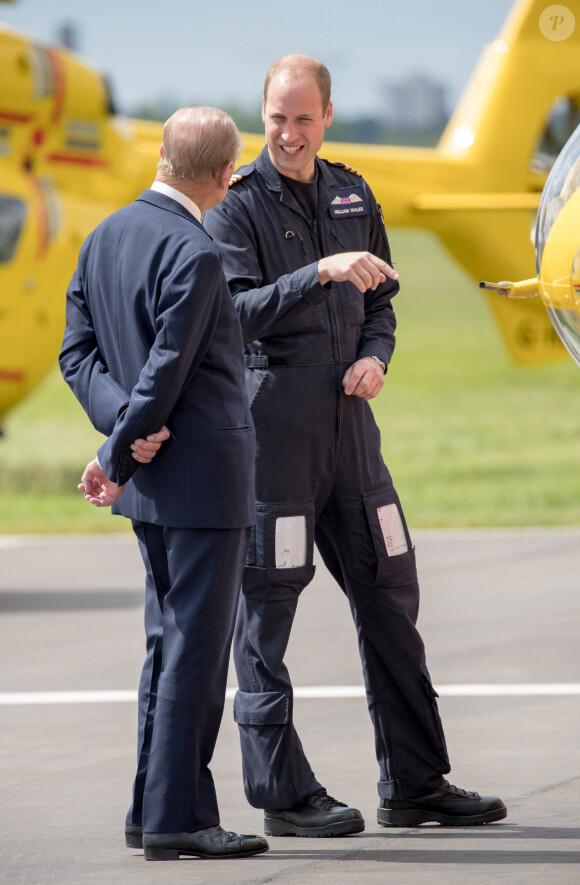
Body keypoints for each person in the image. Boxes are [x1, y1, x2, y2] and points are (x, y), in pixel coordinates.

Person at [203, 56, 507, 836]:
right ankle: (282, 794)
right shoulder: (235, 209)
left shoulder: (351, 190)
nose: (289, 132)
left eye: (304, 118)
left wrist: (377, 354)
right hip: (279, 435)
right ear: (260, 113)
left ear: (327, 115)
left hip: (352, 434)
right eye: (276, 116)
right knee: (268, 607)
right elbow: (232, 318)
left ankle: (414, 782)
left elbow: (384, 301)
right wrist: (318, 272)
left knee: (391, 589)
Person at [59, 107, 269, 861]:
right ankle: (179, 817)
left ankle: (152, 805)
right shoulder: (200, 252)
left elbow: (77, 352)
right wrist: (123, 446)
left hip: (152, 487)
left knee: (164, 645)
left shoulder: (105, 236)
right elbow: (169, 371)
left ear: (160, 156)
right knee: (195, 655)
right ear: (223, 176)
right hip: (203, 482)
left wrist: (119, 433)